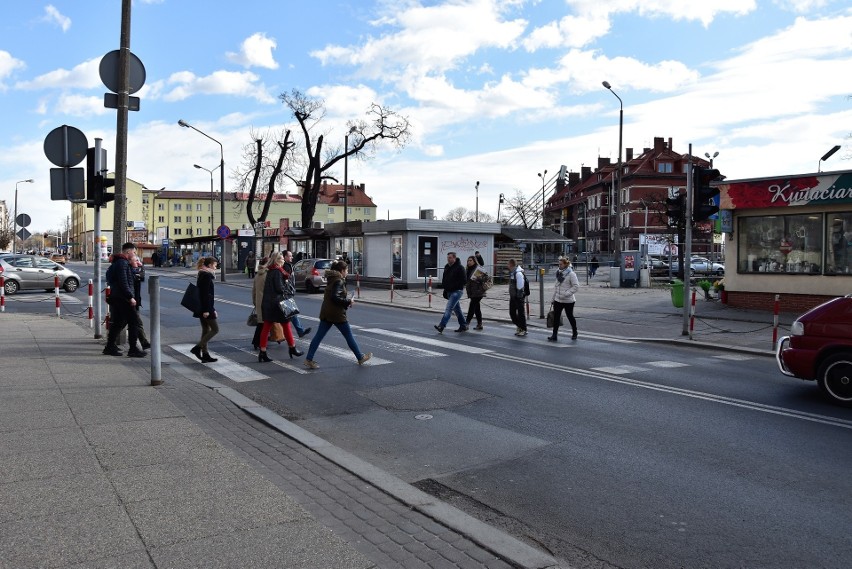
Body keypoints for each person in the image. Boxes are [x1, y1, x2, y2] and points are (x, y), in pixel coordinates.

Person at [304, 260, 371, 369]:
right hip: (336, 313)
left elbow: (334, 296)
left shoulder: (332, 278)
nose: (347, 272)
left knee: (318, 337)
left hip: (327, 312)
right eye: (346, 270)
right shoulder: (338, 281)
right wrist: (348, 301)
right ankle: (360, 357)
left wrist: (345, 301)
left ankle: (308, 359)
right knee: (348, 335)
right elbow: (335, 297)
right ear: (341, 271)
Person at [258, 252, 303, 363]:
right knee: (286, 325)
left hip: (268, 303)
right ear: (277, 260)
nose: (283, 260)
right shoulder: (278, 272)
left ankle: (262, 352)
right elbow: (279, 288)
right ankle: (292, 348)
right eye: (282, 259)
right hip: (277, 304)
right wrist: (287, 284)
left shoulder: (270, 271)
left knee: (266, 327)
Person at [104, 243, 145, 357]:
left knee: (118, 322)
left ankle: (109, 346)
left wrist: (133, 267)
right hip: (123, 298)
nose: (135, 254)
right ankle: (133, 349)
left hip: (117, 296)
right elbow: (124, 282)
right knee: (134, 322)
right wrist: (130, 297)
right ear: (128, 252)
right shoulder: (122, 263)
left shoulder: (118, 262)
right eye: (134, 252)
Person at [190, 257, 219, 363]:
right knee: (215, 329)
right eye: (215, 265)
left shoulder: (202, 274)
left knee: (206, 330)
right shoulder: (206, 275)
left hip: (203, 307)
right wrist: (208, 310)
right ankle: (197, 348)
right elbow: (206, 294)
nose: (216, 267)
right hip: (205, 308)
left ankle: (205, 354)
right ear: (210, 265)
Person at [434, 252, 468, 333]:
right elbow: (444, 279)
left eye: (450, 257)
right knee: (457, 310)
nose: (448, 259)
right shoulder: (447, 267)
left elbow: (464, 280)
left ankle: (441, 325)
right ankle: (463, 325)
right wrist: (445, 287)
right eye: (448, 257)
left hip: (457, 291)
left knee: (449, 308)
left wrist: (454, 286)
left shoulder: (460, 267)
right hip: (449, 291)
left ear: (454, 258)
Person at [547, 257, 579, 342]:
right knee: (556, 317)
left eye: (561, 264)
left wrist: (567, 293)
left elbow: (576, 286)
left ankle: (575, 332)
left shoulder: (571, 274)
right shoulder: (558, 273)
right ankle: (554, 335)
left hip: (568, 300)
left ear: (565, 264)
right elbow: (557, 287)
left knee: (570, 316)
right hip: (558, 299)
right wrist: (553, 298)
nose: (559, 266)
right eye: (559, 264)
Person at [282, 250, 312, 338]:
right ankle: (299, 331)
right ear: (285, 257)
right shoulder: (285, 267)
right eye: (290, 256)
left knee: (290, 314)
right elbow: (286, 281)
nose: (292, 257)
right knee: (291, 314)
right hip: (286, 294)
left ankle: (299, 331)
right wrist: (289, 290)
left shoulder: (288, 266)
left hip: (287, 293)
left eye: (291, 256)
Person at [128, 251, 150, 352]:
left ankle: (143, 343)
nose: (138, 262)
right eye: (135, 260)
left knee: (125, 323)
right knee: (136, 322)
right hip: (131, 300)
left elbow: (141, 276)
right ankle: (142, 343)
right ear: (130, 261)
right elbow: (134, 279)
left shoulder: (136, 269)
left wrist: (140, 269)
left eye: (138, 260)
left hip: (135, 300)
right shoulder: (128, 270)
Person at [464, 255, 487, 330]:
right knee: (477, 308)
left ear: (474, 261)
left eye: (470, 260)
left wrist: (479, 278)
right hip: (472, 291)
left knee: (472, 306)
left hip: (478, 291)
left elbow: (485, 278)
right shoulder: (468, 269)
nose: (469, 262)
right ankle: (479, 324)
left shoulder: (478, 269)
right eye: (468, 261)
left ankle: (466, 323)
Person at [251, 256, 269, 350]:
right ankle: (259, 342)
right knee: (264, 324)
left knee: (262, 323)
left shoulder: (258, 274)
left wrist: (255, 301)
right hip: (266, 302)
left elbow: (253, 290)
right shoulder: (268, 274)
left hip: (259, 302)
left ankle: (257, 342)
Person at [507, 259, 527, 336]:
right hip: (513, 296)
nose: (507, 265)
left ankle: (523, 329)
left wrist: (518, 297)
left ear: (511, 265)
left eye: (508, 264)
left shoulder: (518, 273)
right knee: (512, 313)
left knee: (521, 314)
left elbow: (520, 286)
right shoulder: (512, 273)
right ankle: (520, 327)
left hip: (518, 297)